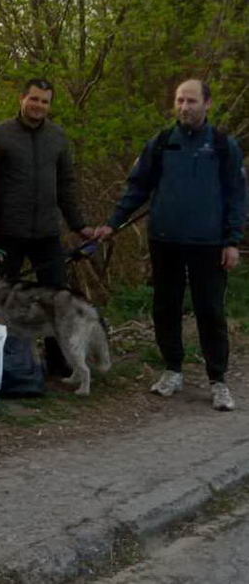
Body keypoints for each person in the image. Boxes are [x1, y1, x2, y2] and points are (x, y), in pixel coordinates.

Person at [94, 79, 246, 411]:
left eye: (191, 101)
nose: (184, 107)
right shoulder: (161, 143)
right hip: (165, 241)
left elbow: (237, 195)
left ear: (207, 103)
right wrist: (113, 222)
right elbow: (137, 187)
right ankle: (172, 370)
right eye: (179, 101)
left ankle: (217, 380)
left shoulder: (223, 146)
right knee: (166, 308)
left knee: (210, 311)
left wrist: (233, 240)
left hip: (209, 244)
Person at [0, 78, 93, 374]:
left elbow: (66, 186)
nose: (38, 105)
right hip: (8, 233)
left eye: (44, 101)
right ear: (22, 98)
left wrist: (78, 225)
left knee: (57, 299)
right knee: (5, 301)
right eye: (34, 99)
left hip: (47, 233)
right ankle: (10, 366)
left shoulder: (57, 137)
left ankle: (60, 363)